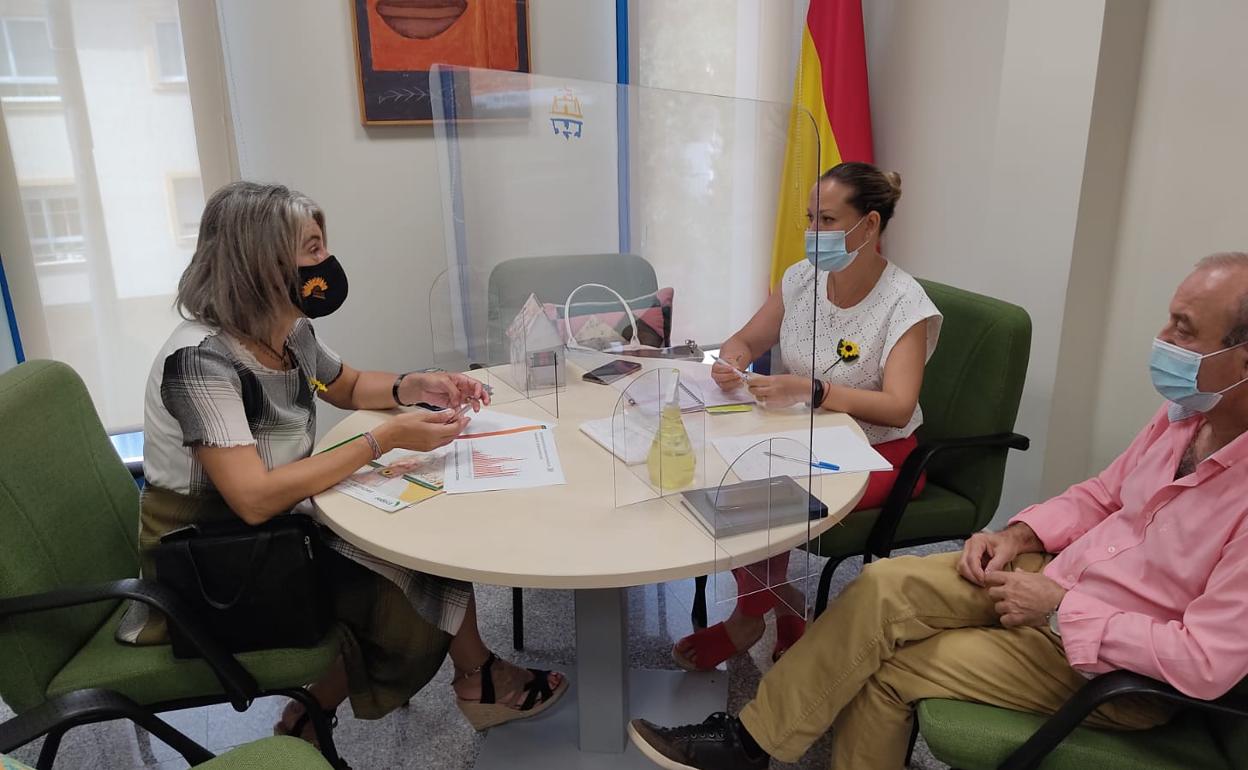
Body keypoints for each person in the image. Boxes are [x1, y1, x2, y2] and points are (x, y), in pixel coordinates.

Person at [630, 252, 1248, 769]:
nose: (1163, 340)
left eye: (1185, 330)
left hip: (1105, 664)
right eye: (1169, 321)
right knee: (877, 587)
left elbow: (1204, 661)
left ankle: (749, 744)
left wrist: (1062, 611)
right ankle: (751, 744)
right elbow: (1102, 496)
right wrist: (1018, 533)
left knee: (886, 670)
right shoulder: (1185, 419)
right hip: (1053, 581)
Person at [119, 181, 566, 743]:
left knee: (422, 545)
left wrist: (416, 385)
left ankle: (359, 700)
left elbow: (348, 385)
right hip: (213, 561)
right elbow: (252, 500)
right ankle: (432, 686)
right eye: (311, 248)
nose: (326, 261)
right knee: (412, 580)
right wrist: (384, 441)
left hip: (273, 529)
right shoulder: (200, 361)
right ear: (261, 261)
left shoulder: (286, 330)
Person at [673, 162, 942, 671]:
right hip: (806, 434)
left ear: (870, 225)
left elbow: (898, 405)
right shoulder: (802, 278)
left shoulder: (904, 303)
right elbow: (749, 339)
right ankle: (783, 604)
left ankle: (748, 617)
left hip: (881, 452)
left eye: (828, 220)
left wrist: (814, 390)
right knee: (727, 472)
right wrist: (732, 361)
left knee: (765, 493)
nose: (813, 234)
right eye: (810, 218)